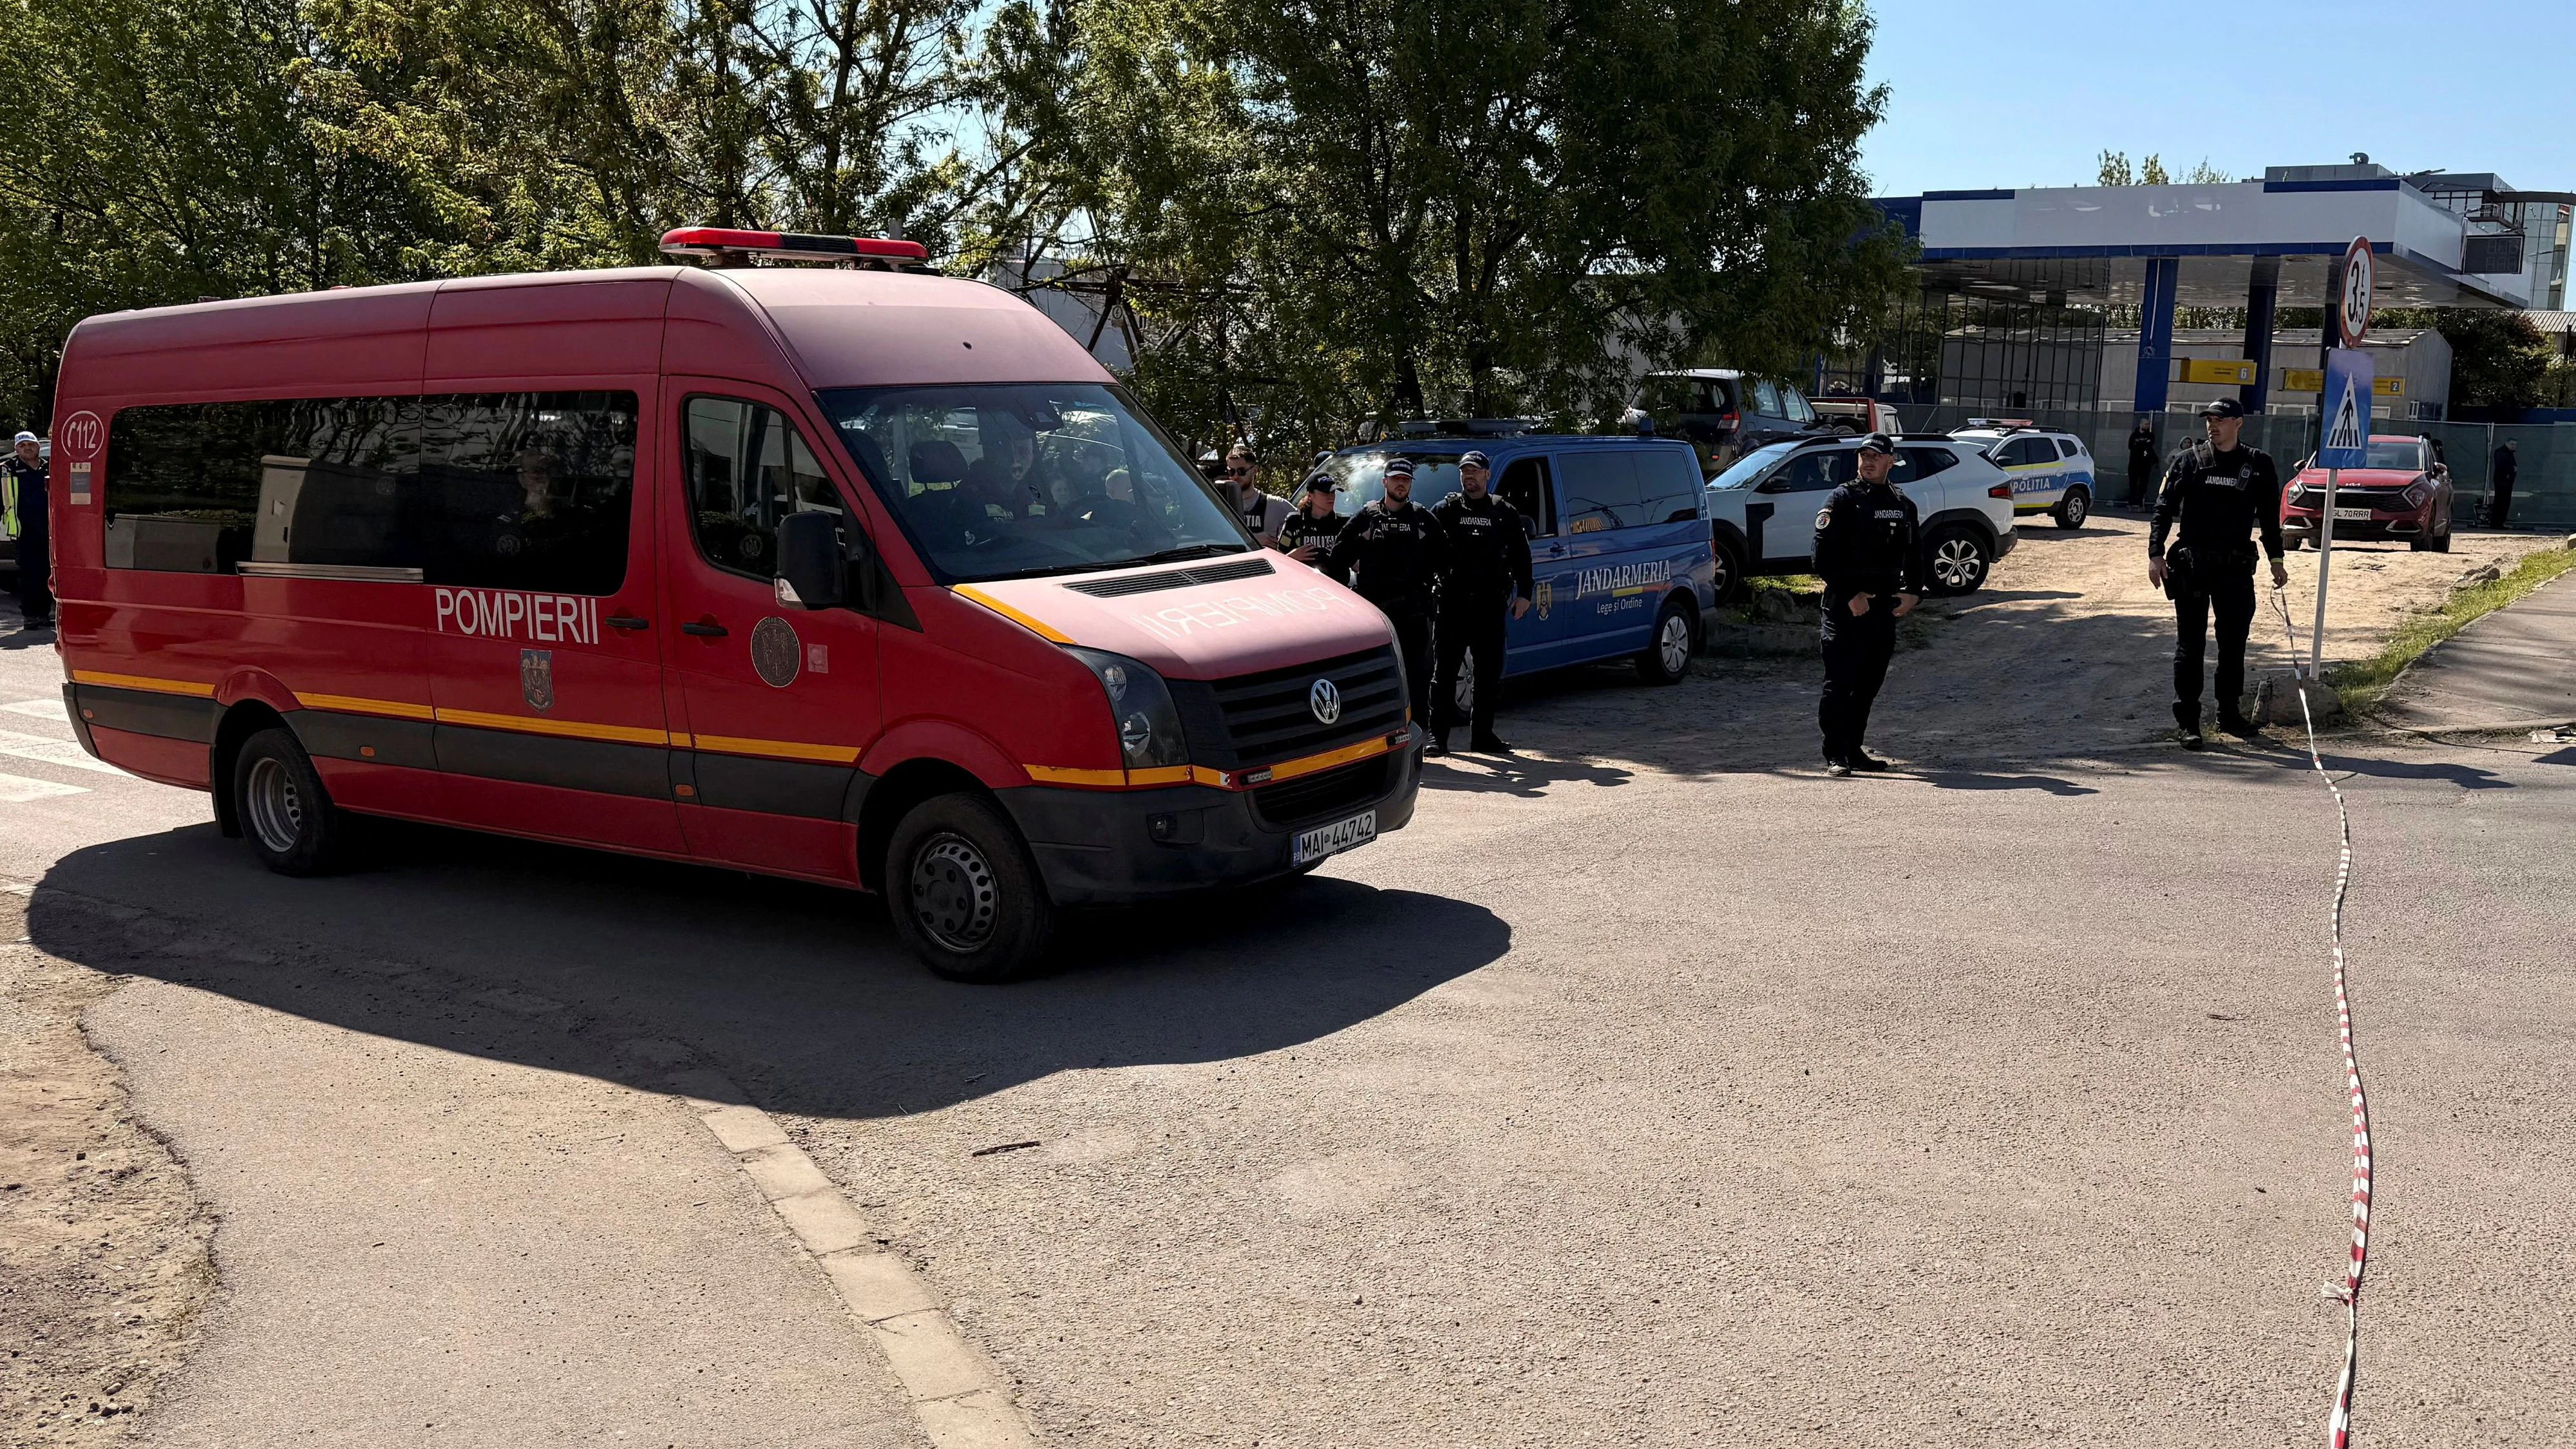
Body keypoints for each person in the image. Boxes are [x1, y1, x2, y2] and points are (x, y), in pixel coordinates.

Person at [2148, 397, 2288, 749]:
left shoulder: (2258, 465)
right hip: (2193, 567)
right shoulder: (2190, 462)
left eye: (2220, 420)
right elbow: (2163, 508)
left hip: (2236, 568)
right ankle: (2189, 723)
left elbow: (2270, 517)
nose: (2212, 425)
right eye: (2209, 420)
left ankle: (2230, 714)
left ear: (2238, 423)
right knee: (2190, 647)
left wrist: (2276, 560)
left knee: (2233, 646)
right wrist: (2155, 554)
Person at [1812, 434, 1918, 775]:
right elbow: (1821, 557)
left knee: (1869, 684)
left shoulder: (1902, 503)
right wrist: (1849, 595)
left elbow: (1915, 552)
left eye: (1876, 456)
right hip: (1845, 609)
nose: (1868, 461)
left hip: (1882, 610)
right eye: (1863, 455)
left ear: (1891, 461)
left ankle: (1855, 749)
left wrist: (1914, 591)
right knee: (1840, 683)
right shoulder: (1842, 499)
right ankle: (1836, 755)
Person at [1329, 456, 1446, 736]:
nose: (1401, 484)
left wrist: (1429, 579)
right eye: (1396, 479)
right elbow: (1338, 557)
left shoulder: (1422, 517)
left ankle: (1420, 731)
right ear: (1385, 482)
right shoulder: (1367, 516)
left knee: (1418, 675)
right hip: (1377, 611)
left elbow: (1445, 556)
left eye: (1406, 480)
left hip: (1414, 611)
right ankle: (1375, 731)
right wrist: (1363, 542)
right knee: (1378, 673)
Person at [1428, 449, 1533, 755]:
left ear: (1487, 475)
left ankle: (1483, 737)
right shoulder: (1445, 510)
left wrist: (1525, 594)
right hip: (1453, 605)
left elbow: (1521, 557)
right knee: (1444, 674)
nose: (1469, 477)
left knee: (1488, 674)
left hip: (1490, 605)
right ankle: (1438, 738)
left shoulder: (1504, 512)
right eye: (1465, 472)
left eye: (1474, 471)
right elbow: (1425, 551)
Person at [4, 431, 49, 629]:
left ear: (38, 446)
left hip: (49, 528)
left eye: (30, 444)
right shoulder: (8, 469)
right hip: (24, 529)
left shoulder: (49, 467)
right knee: (29, 575)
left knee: (47, 573)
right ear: (16, 449)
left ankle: (44, 615)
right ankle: (30, 616)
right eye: (22, 446)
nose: (27, 448)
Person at [1273, 471, 1347, 582]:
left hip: (1338, 588)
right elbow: (1279, 560)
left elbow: (1356, 562)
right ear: (1310, 495)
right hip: (1303, 586)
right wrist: (1293, 557)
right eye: (1325, 493)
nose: (1331, 497)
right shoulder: (1295, 521)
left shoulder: (1344, 523)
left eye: (1333, 492)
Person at [1224, 444, 1292, 544]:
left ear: (1254, 471)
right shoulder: (1220, 505)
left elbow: (1304, 524)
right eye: (1231, 472)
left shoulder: (1274, 505)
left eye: (1241, 471)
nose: (1236, 476)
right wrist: (1253, 539)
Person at [2126, 417, 2161, 508]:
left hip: (2145, 464)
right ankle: (2131, 502)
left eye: (2148, 424)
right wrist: (2141, 443)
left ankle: (2141, 502)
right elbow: (2131, 446)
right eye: (2145, 424)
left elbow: (2149, 445)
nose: (2147, 426)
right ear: (2141, 424)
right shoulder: (2134, 435)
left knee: (2143, 484)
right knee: (2133, 483)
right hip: (2134, 463)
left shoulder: (2150, 435)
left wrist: (2140, 443)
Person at [2492, 439, 2518, 528]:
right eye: (2512, 444)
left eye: (2515, 445)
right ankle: (2497, 523)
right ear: (2507, 444)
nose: (2514, 446)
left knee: (2504, 502)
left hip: (2506, 481)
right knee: (2501, 502)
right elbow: (2502, 467)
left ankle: (2500, 522)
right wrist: (2511, 470)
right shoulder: (2501, 453)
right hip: (2503, 482)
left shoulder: (2508, 453)